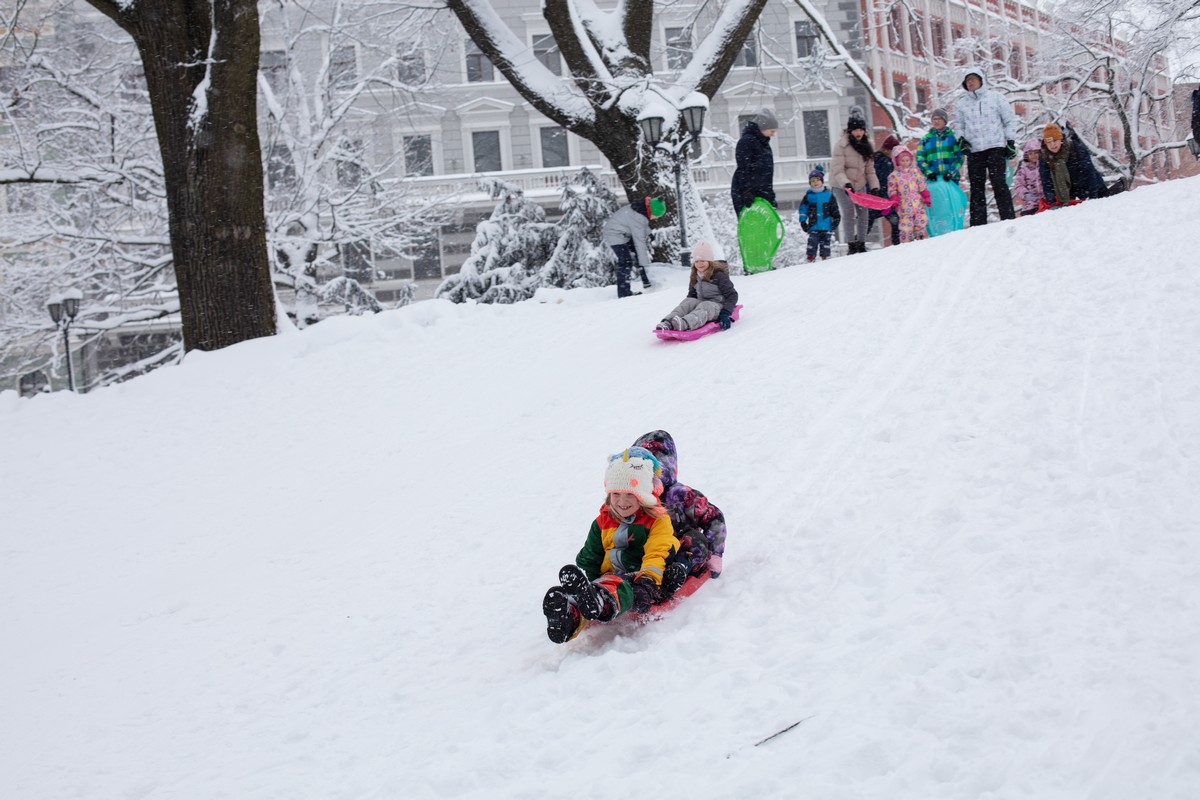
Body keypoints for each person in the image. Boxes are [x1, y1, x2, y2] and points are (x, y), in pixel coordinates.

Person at [542, 447, 682, 644]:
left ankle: (601, 601)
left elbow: (657, 554)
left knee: (619, 586)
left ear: (643, 495)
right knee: (601, 587)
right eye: (616, 493)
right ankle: (570, 615)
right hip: (608, 578)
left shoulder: (657, 521)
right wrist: (588, 582)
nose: (622, 501)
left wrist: (647, 581)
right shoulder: (602, 522)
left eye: (630, 494)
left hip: (640, 580)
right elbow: (590, 556)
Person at [629, 430, 727, 582]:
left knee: (694, 539)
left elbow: (714, 518)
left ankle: (677, 572)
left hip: (682, 550)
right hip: (652, 553)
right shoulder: (632, 497)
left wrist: (715, 554)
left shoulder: (681, 495)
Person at [954, 70, 1017, 226]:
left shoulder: (996, 98)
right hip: (974, 150)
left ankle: (1008, 219)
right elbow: (959, 125)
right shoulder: (962, 104)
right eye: (967, 80)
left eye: (973, 79)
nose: (970, 82)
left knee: (999, 183)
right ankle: (978, 224)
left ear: (981, 80)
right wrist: (960, 140)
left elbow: (1009, 120)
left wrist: (1010, 141)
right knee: (976, 188)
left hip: (995, 146)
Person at [655, 241, 739, 332]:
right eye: (697, 261)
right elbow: (692, 295)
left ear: (709, 261)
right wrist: (689, 306)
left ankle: (686, 323)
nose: (699, 264)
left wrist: (725, 313)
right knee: (688, 302)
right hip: (701, 303)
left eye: (703, 261)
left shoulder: (718, 275)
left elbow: (732, 295)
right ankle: (668, 322)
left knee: (706, 305)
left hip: (718, 306)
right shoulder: (695, 275)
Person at [831, 110, 880, 254]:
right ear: (850, 130)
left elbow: (870, 170)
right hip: (840, 185)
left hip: (859, 184)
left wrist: (874, 187)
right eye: (855, 130)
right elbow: (837, 170)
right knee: (849, 212)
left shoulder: (867, 145)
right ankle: (851, 244)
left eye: (861, 130)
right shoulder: (841, 146)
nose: (858, 133)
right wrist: (846, 184)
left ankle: (861, 243)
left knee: (864, 212)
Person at [601, 196, 665, 298]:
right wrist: (645, 264)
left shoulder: (641, 209)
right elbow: (640, 243)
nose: (656, 218)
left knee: (632, 257)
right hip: (615, 234)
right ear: (652, 211)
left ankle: (645, 282)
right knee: (626, 262)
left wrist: (648, 233)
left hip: (623, 232)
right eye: (656, 215)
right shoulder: (639, 215)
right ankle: (624, 293)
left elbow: (640, 224)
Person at [1037, 122, 1105, 208]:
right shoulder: (1044, 158)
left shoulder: (1075, 149)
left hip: (1094, 191)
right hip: (1070, 199)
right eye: (1049, 142)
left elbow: (1089, 173)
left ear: (1060, 139)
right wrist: (1052, 203)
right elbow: (1046, 182)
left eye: (1055, 140)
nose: (1052, 145)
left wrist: (1093, 197)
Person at [731, 108, 778, 217]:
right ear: (763, 127)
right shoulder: (747, 142)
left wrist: (770, 196)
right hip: (747, 195)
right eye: (772, 131)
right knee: (751, 223)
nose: (773, 135)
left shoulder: (764, 144)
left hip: (760, 194)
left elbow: (766, 174)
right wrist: (746, 192)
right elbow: (743, 169)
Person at [886, 148, 931, 244]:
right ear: (897, 161)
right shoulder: (894, 176)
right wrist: (894, 198)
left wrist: (926, 196)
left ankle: (920, 237)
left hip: (918, 203)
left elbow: (921, 185)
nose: (905, 163)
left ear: (910, 160)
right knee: (906, 226)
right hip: (904, 206)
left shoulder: (915, 172)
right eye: (902, 160)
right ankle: (906, 242)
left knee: (921, 220)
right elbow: (892, 189)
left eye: (907, 160)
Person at [798, 168, 841, 261]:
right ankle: (810, 258)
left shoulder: (828, 195)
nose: (815, 182)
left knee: (825, 244)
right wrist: (803, 221)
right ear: (810, 183)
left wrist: (836, 219)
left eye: (817, 180)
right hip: (813, 226)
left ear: (822, 181)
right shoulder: (808, 196)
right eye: (812, 181)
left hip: (826, 226)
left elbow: (834, 209)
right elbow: (803, 210)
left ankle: (825, 258)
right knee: (812, 242)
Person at [916, 108, 964, 185]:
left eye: (939, 119)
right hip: (933, 180)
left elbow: (959, 157)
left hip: (951, 179)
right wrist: (928, 172)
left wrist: (951, 173)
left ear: (945, 121)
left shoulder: (953, 137)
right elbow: (920, 158)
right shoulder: (926, 139)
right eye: (934, 119)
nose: (936, 121)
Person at [871, 134, 901, 247]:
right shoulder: (886, 162)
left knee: (867, 222)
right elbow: (884, 181)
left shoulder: (877, 158)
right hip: (882, 197)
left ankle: (856, 244)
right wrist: (887, 199)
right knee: (896, 222)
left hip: (873, 195)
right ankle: (897, 245)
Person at [1010, 139, 1044, 216]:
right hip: (1030, 203)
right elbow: (1018, 185)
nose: (1033, 155)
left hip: (1046, 200)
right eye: (1030, 153)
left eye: (1036, 153)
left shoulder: (1045, 167)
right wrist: (1026, 195)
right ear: (1026, 155)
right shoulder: (1023, 171)